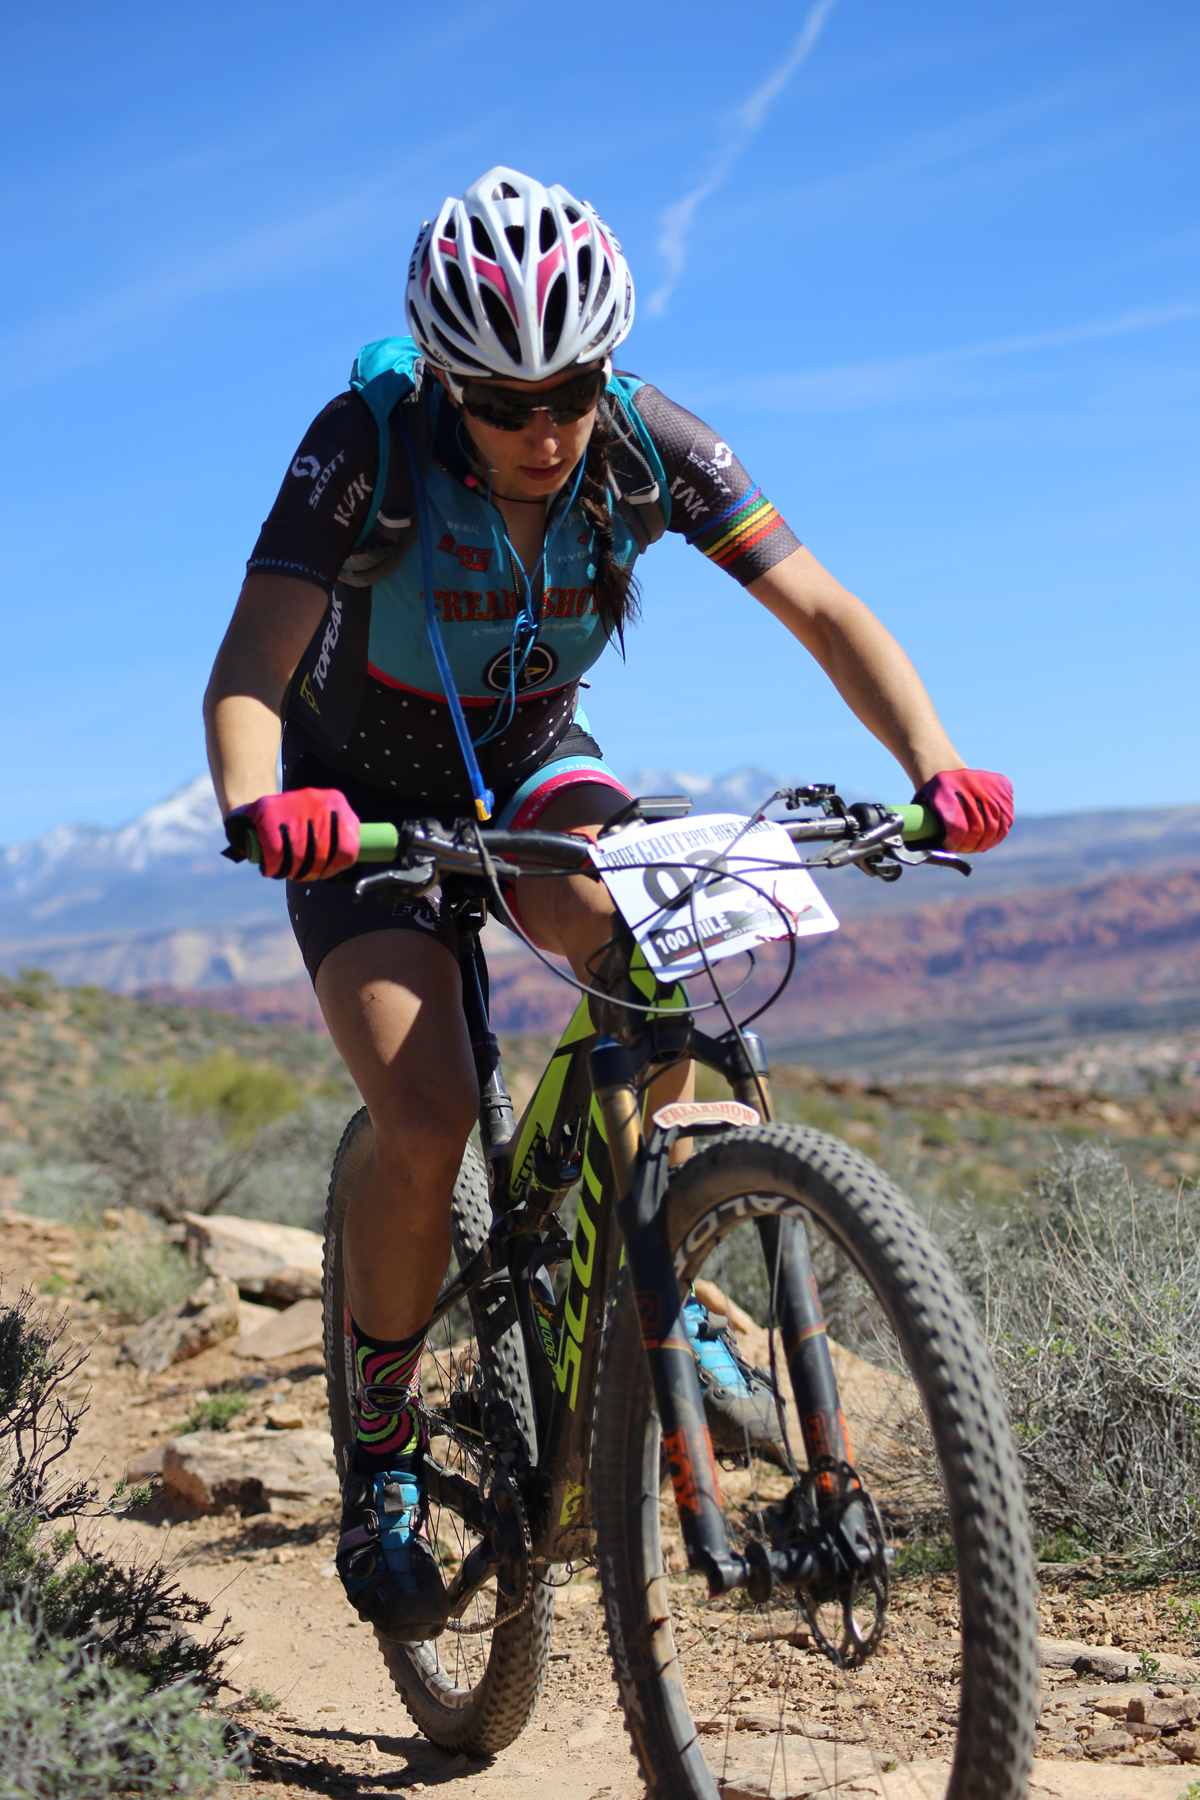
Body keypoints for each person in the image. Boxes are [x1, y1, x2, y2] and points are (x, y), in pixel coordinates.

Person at [204, 166, 1013, 1641]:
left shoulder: (649, 445)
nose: (543, 427)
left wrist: (936, 764)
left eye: (569, 387)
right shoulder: (362, 449)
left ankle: (661, 1252)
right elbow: (249, 671)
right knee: (429, 1110)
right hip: (357, 800)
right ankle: (383, 1445)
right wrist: (266, 806)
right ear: (448, 383)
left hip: (525, 764)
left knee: (654, 939)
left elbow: (821, 607)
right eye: (503, 400)